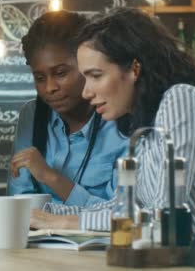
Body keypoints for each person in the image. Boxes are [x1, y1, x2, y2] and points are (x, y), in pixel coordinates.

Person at [30, 8, 195, 239]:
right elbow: (122, 209)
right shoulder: (144, 127)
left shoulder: (181, 99)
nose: (86, 92)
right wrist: (43, 213)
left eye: (96, 75)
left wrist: (67, 222)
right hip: (189, 260)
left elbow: (163, 215)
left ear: (134, 68)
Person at [8, 11, 127, 206]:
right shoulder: (32, 115)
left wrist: (51, 177)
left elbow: (119, 213)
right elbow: (20, 198)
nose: (50, 88)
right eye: (39, 78)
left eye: (61, 73)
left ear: (86, 65)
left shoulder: (120, 119)